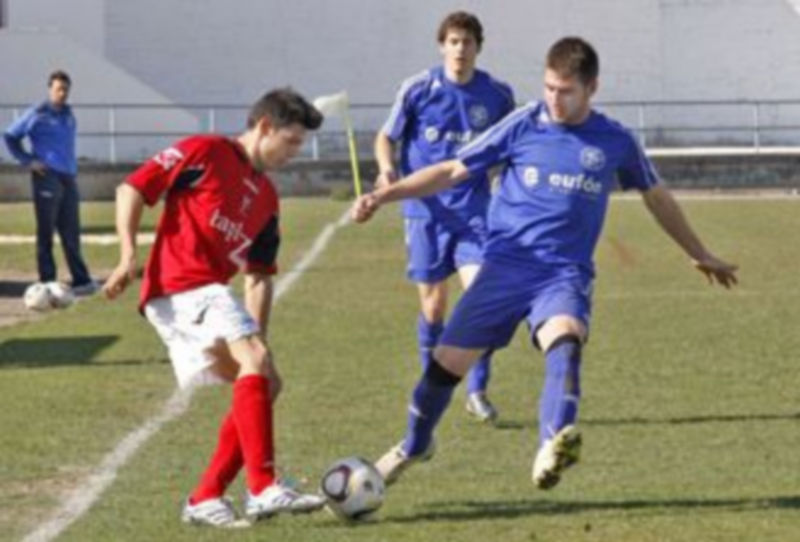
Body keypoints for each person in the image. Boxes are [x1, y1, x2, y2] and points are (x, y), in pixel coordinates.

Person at [353, 37, 738, 490]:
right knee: (442, 370)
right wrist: (386, 193)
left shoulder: (615, 141)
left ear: (592, 87)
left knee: (566, 341)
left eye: (566, 90)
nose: (554, 99)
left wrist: (698, 252)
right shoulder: (524, 123)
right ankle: (414, 445)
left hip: (562, 273)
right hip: (503, 266)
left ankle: (551, 445)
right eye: (549, 88)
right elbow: (454, 169)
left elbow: (657, 197)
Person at [103, 88, 326, 527]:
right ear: (264, 127)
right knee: (256, 362)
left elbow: (259, 275)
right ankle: (262, 488)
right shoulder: (204, 151)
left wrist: (256, 341)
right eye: (291, 141)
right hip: (180, 285)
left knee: (266, 378)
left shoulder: (266, 198)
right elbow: (132, 188)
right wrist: (128, 255)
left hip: (203, 294)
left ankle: (205, 497)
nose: (295, 153)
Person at [374, 11, 516, 423]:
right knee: (434, 309)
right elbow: (387, 136)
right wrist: (388, 170)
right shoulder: (419, 88)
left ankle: (477, 390)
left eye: (467, 42)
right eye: (453, 41)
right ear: (442, 46)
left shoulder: (497, 95)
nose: (460, 49)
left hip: (474, 211)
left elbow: (510, 148)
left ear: (477, 47)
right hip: (425, 212)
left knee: (483, 302)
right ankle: (429, 386)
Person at [4, 70, 96, 294]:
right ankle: (47, 282)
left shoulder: (68, 113)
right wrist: (28, 161)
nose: (62, 93)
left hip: (68, 177)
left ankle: (81, 280)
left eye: (65, 89)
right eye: (58, 89)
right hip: (47, 177)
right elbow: (8, 136)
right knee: (46, 232)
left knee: (71, 231)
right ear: (50, 89)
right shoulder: (37, 113)